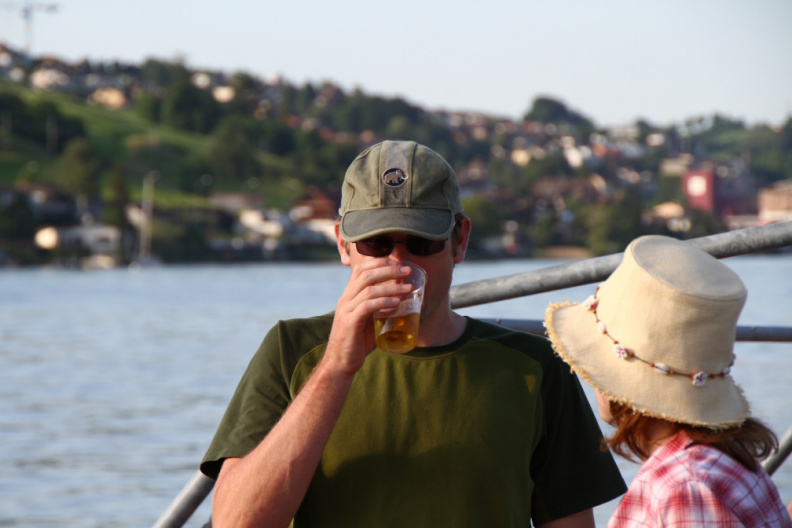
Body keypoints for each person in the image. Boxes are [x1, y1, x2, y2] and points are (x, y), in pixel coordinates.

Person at [200, 140, 626, 528]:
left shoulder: (537, 368)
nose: (399, 264)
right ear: (343, 245)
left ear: (460, 241)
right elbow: (236, 523)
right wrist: (335, 369)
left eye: (422, 243)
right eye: (376, 244)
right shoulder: (291, 351)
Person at [544, 235, 792, 527]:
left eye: (593, 366)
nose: (591, 382)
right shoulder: (722, 461)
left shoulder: (685, 488)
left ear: (620, 387)